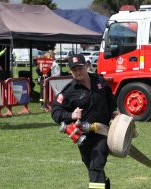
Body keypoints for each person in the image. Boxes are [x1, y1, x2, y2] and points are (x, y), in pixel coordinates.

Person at [51, 54, 119, 189]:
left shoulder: (99, 81)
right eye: (74, 69)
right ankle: (104, 183)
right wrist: (71, 115)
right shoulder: (68, 91)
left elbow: (109, 98)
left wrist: (113, 111)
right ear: (71, 71)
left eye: (80, 68)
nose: (78, 72)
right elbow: (55, 112)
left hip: (102, 132)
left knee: (96, 164)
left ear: (87, 66)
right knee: (91, 165)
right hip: (83, 136)